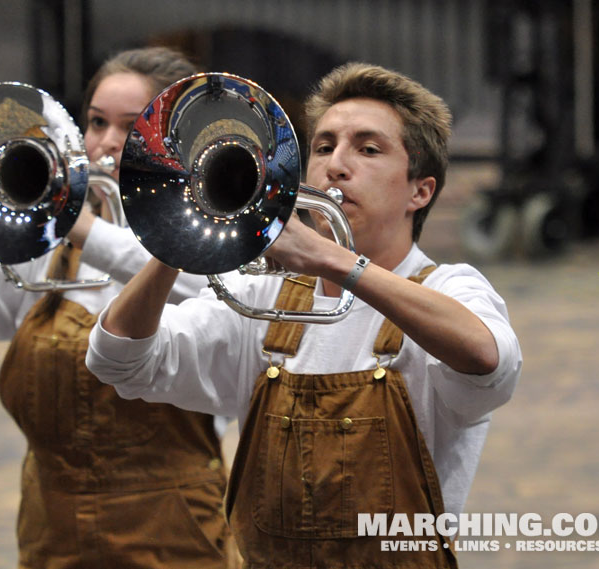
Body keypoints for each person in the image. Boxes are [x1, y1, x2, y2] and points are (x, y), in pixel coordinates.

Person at [86, 62, 523, 568]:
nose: (337, 164)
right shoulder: (262, 295)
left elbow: (492, 362)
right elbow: (117, 362)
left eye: (368, 149)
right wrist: (178, 236)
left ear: (419, 191)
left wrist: (331, 257)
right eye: (323, 146)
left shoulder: (450, 287)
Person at [0, 47, 236, 569]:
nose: (107, 144)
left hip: (173, 530)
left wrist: (79, 224)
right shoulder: (43, 255)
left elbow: (201, 284)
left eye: (131, 127)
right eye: (96, 123)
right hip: (51, 534)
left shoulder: (218, 243)